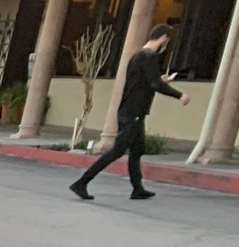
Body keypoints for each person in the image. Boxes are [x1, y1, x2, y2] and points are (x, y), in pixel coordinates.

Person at [71, 24, 189, 200]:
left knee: (137, 150)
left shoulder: (137, 56)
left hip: (133, 111)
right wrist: (179, 95)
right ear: (164, 38)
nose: (166, 44)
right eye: (167, 40)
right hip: (132, 112)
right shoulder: (148, 57)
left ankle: (137, 188)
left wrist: (162, 79)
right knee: (117, 151)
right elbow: (154, 84)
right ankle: (81, 183)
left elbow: (148, 81)